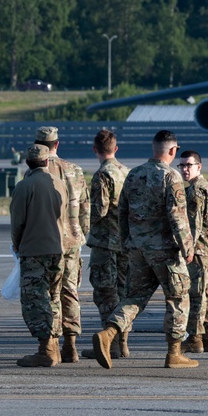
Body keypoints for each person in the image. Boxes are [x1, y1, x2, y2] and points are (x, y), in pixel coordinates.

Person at [92, 130, 197, 369]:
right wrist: (187, 247)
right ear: (172, 151)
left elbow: (123, 213)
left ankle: (108, 333)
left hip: (137, 248)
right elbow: (177, 215)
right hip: (165, 250)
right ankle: (174, 353)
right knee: (178, 297)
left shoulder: (134, 174)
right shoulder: (170, 177)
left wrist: (128, 241)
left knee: (134, 297)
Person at [31, 126, 89, 364]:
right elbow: (86, 207)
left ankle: (50, 345)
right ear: (58, 144)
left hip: (47, 241)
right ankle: (71, 345)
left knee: (48, 294)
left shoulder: (36, 171)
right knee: (70, 291)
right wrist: (82, 234)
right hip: (72, 241)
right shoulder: (74, 170)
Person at [11, 144, 64, 367]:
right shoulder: (59, 183)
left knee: (34, 299)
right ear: (47, 161)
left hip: (34, 251)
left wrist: (17, 245)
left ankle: (45, 350)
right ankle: (55, 346)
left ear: (28, 163)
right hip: (57, 248)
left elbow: (17, 222)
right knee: (53, 297)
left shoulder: (24, 186)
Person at [82, 130, 130, 360]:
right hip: (125, 242)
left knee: (105, 293)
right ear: (116, 149)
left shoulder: (102, 175)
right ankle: (123, 343)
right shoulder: (127, 172)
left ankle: (110, 345)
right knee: (123, 292)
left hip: (106, 242)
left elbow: (99, 210)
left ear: (95, 149)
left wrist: (81, 219)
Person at [179, 150, 208, 353]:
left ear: (199, 166)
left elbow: (193, 227)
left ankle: (196, 338)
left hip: (199, 251)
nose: (185, 169)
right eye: (182, 166)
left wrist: (187, 249)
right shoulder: (205, 188)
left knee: (197, 295)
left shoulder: (195, 191)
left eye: (189, 165)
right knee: (207, 293)